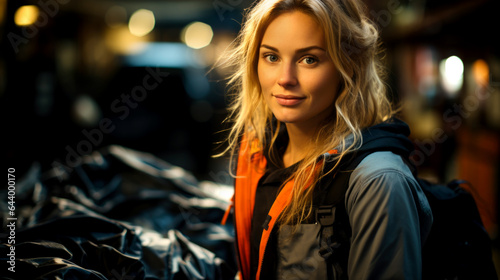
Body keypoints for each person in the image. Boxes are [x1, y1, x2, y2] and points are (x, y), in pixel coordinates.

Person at [216, 0, 433, 279]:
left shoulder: (378, 182)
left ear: (349, 66)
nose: (285, 78)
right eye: (271, 57)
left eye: (310, 59)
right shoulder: (260, 153)